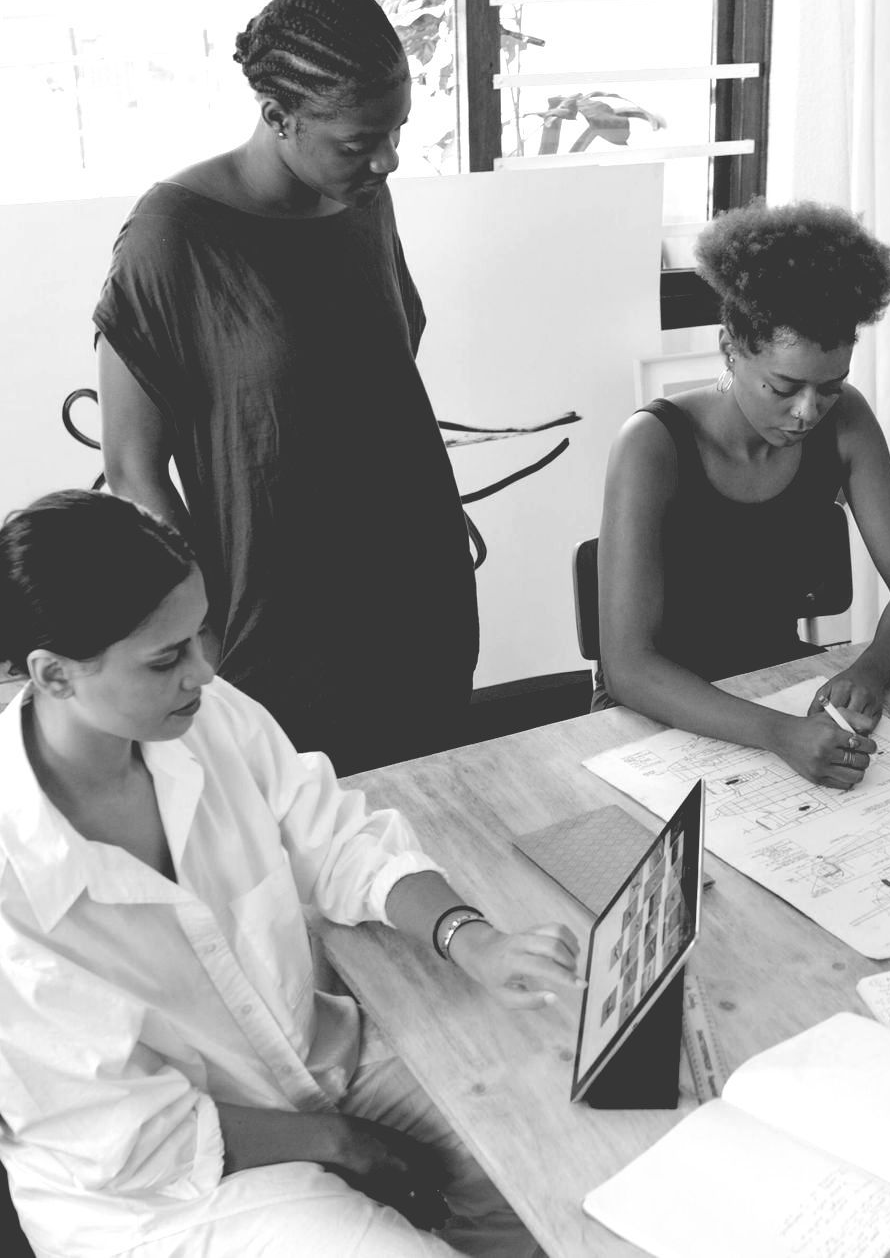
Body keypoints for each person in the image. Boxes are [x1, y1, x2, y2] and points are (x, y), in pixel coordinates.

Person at [0, 490, 581, 1258]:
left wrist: (469, 939)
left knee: (553, 1171)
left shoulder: (203, 714)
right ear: (55, 675)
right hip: (160, 1189)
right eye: (167, 658)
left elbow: (336, 838)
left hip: (312, 1065)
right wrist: (341, 1144)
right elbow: (129, 1134)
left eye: (200, 632)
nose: (204, 670)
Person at [94, 0, 477, 775]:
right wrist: (195, 628)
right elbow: (133, 468)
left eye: (396, 131)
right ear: (277, 117)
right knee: (302, 858)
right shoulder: (171, 236)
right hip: (279, 628)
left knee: (430, 819)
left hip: (417, 592)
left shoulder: (363, 197)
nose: (386, 159)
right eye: (356, 141)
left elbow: (384, 370)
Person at [595, 201, 890, 788]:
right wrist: (779, 734)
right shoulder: (652, 445)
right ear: (731, 345)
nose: (807, 412)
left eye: (829, 388)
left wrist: (869, 671)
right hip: (659, 719)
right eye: (784, 387)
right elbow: (629, 668)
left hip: (778, 689)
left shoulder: (846, 422)